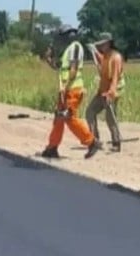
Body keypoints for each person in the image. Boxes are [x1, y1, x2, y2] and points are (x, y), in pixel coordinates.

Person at [40, 24, 101, 160]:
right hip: (66, 90)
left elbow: (73, 70)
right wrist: (49, 59)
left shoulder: (75, 47)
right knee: (59, 118)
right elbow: (60, 68)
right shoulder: (69, 50)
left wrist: (66, 87)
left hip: (72, 89)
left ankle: (92, 142)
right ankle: (52, 147)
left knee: (69, 117)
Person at [85, 32, 125, 152]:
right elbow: (101, 62)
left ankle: (116, 142)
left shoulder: (116, 57)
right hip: (102, 91)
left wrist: (111, 93)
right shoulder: (106, 56)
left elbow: (115, 78)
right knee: (90, 112)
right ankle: (95, 139)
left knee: (110, 117)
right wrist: (94, 52)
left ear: (108, 44)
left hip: (113, 91)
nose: (100, 47)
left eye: (102, 44)